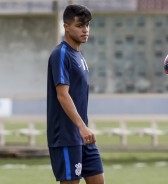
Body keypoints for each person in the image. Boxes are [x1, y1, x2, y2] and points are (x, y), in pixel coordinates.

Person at [47, 4, 105, 184]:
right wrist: (81, 126)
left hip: (82, 136)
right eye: (80, 25)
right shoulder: (61, 54)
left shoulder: (79, 56)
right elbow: (62, 95)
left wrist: (82, 129)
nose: (85, 30)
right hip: (66, 136)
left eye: (87, 25)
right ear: (66, 26)